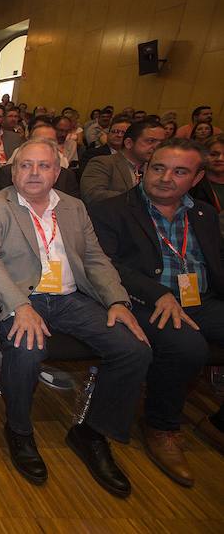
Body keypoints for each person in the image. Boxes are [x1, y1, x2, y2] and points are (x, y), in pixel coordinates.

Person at [0, 137, 152, 498]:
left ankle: (91, 431)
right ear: (13, 170)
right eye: (25, 165)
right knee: (26, 348)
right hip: (22, 297)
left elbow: (97, 259)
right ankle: (19, 430)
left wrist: (116, 301)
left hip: (72, 299)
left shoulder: (74, 208)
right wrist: (20, 306)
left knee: (134, 348)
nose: (34, 173)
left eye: (43, 166)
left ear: (58, 171)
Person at [89, 138, 224, 488]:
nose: (166, 178)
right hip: (143, 299)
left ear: (196, 179)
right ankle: (162, 425)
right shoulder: (112, 210)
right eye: (158, 168)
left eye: (180, 172)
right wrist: (159, 293)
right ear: (144, 169)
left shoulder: (204, 213)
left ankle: (218, 422)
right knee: (187, 346)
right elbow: (106, 264)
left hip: (201, 299)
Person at [81, 121, 164, 205]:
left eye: (161, 143)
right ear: (129, 143)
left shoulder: (159, 169)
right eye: (151, 141)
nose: (157, 147)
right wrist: (141, 198)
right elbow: (93, 195)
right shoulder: (103, 163)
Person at [0, 125, 80, 198]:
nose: (45, 146)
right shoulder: (7, 173)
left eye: (51, 142)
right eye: (39, 141)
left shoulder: (67, 176)